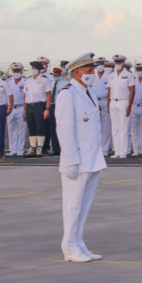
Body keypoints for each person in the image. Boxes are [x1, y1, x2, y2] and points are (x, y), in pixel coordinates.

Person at [56, 52, 107, 263]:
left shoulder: (89, 93)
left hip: (92, 158)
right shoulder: (68, 94)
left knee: (84, 205)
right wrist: (71, 161)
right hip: (77, 160)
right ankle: (69, 247)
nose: (93, 73)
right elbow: (65, 129)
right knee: (73, 205)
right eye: (89, 70)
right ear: (77, 72)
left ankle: (78, 244)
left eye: (93, 70)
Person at [106, 54, 135, 159]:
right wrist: (109, 105)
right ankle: (117, 150)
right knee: (115, 128)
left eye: (120, 62)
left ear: (123, 63)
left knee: (123, 128)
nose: (118, 64)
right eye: (116, 62)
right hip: (113, 102)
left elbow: (132, 91)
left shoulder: (128, 75)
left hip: (124, 101)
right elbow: (109, 92)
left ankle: (123, 151)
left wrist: (129, 106)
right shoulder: (111, 75)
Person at [23, 61, 52, 157]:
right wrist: (25, 109)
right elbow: (25, 95)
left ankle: (39, 147)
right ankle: (32, 147)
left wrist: (47, 108)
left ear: (39, 70)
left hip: (39, 105)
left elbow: (48, 95)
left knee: (40, 127)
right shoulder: (28, 80)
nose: (33, 70)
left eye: (35, 68)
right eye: (32, 68)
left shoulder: (44, 80)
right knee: (31, 127)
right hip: (29, 105)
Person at [6, 62, 27, 157]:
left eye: (18, 70)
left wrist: (26, 109)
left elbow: (27, 96)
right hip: (10, 108)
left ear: (21, 71)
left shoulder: (25, 81)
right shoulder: (8, 81)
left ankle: (20, 149)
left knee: (22, 130)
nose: (16, 72)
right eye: (14, 71)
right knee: (11, 130)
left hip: (21, 107)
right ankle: (12, 149)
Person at [93, 57, 112, 156]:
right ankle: (96, 147)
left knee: (106, 126)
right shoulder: (92, 75)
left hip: (105, 101)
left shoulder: (109, 75)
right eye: (98, 63)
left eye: (101, 63)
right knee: (95, 126)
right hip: (95, 101)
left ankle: (105, 148)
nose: (100, 65)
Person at [129, 62, 142, 157]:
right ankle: (136, 150)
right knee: (134, 130)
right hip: (133, 106)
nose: (139, 72)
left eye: (141, 69)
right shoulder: (133, 81)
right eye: (138, 70)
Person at [48, 67, 67, 156]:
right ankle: (55, 148)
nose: (56, 76)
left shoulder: (65, 84)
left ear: (61, 75)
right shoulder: (50, 84)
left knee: (62, 127)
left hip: (61, 106)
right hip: (52, 106)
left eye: (57, 75)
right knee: (52, 128)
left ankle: (63, 148)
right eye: (54, 75)